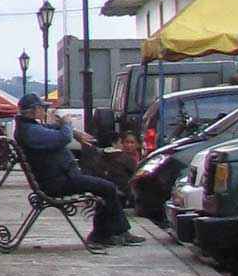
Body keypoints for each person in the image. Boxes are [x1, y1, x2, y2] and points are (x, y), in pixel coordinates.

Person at [13, 94, 145, 247]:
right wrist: (68, 124)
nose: (45, 110)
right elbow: (63, 138)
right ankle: (110, 233)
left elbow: (54, 128)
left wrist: (74, 132)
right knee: (107, 188)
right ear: (34, 110)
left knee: (106, 186)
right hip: (59, 182)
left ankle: (105, 233)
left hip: (61, 177)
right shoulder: (31, 131)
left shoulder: (29, 127)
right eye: (43, 107)